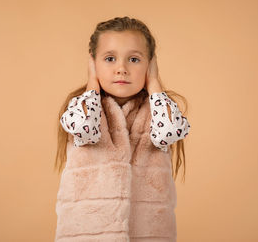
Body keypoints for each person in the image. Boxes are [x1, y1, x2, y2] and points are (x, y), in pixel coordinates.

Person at [54, 16, 191, 242]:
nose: (121, 69)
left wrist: (154, 82)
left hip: (149, 234)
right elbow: (84, 127)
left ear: (150, 64)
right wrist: (92, 83)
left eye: (134, 60)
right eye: (109, 58)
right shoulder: (82, 107)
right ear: (93, 63)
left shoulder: (158, 110)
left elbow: (171, 129)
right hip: (87, 235)